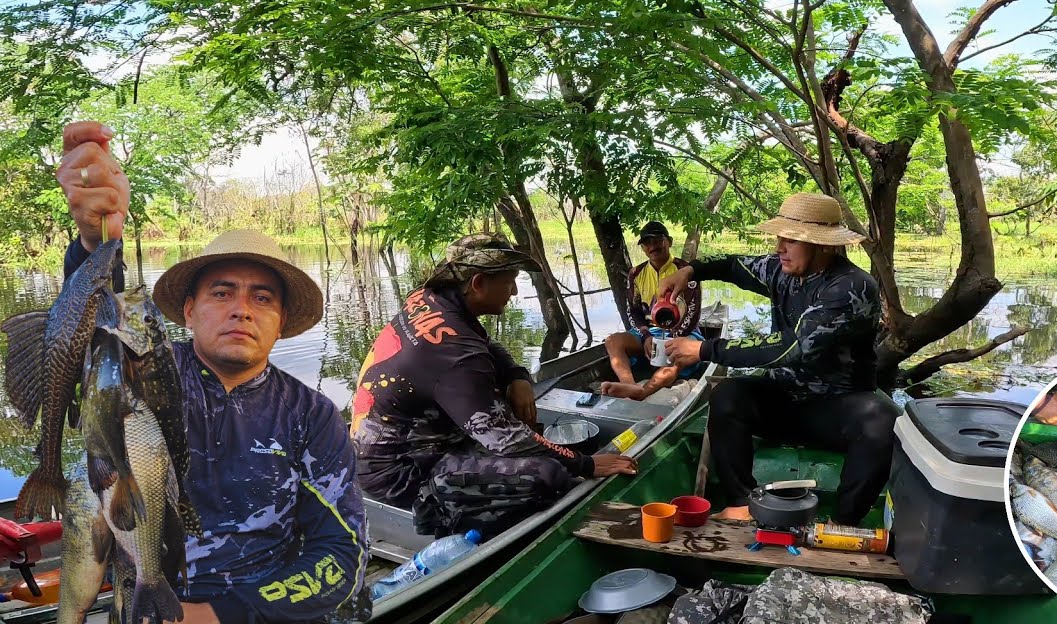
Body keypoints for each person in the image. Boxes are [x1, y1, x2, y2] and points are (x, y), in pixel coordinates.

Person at [57, 121, 369, 623]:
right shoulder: (147, 374)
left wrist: (222, 614)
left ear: (281, 321)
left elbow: (342, 553)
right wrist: (95, 244)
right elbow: (96, 333)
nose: (241, 310)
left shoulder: (311, 414)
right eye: (222, 293)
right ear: (188, 310)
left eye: (261, 297)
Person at [350, 234, 637, 537]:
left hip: (399, 445)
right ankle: (444, 515)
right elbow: (507, 440)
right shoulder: (457, 356)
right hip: (402, 472)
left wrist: (516, 375)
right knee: (550, 475)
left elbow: (486, 345)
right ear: (478, 283)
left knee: (523, 429)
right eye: (510, 281)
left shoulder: (430, 300)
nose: (513, 291)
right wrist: (585, 464)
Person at [656, 192, 900, 526]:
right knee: (728, 395)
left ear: (824, 245)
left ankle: (843, 522)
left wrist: (704, 350)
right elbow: (732, 266)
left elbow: (792, 346)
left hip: (837, 407)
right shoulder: (780, 269)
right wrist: (690, 270)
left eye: (792, 240)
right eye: (780, 238)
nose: (779, 248)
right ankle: (741, 504)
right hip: (784, 398)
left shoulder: (852, 287)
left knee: (883, 419)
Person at [601, 221, 702, 401]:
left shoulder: (684, 270)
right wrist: (646, 335)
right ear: (643, 248)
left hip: (684, 332)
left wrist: (671, 339)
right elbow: (633, 311)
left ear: (669, 242)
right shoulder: (636, 273)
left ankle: (643, 392)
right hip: (648, 331)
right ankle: (630, 385)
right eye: (647, 243)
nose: (652, 246)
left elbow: (693, 313)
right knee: (612, 341)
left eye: (657, 240)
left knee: (674, 358)